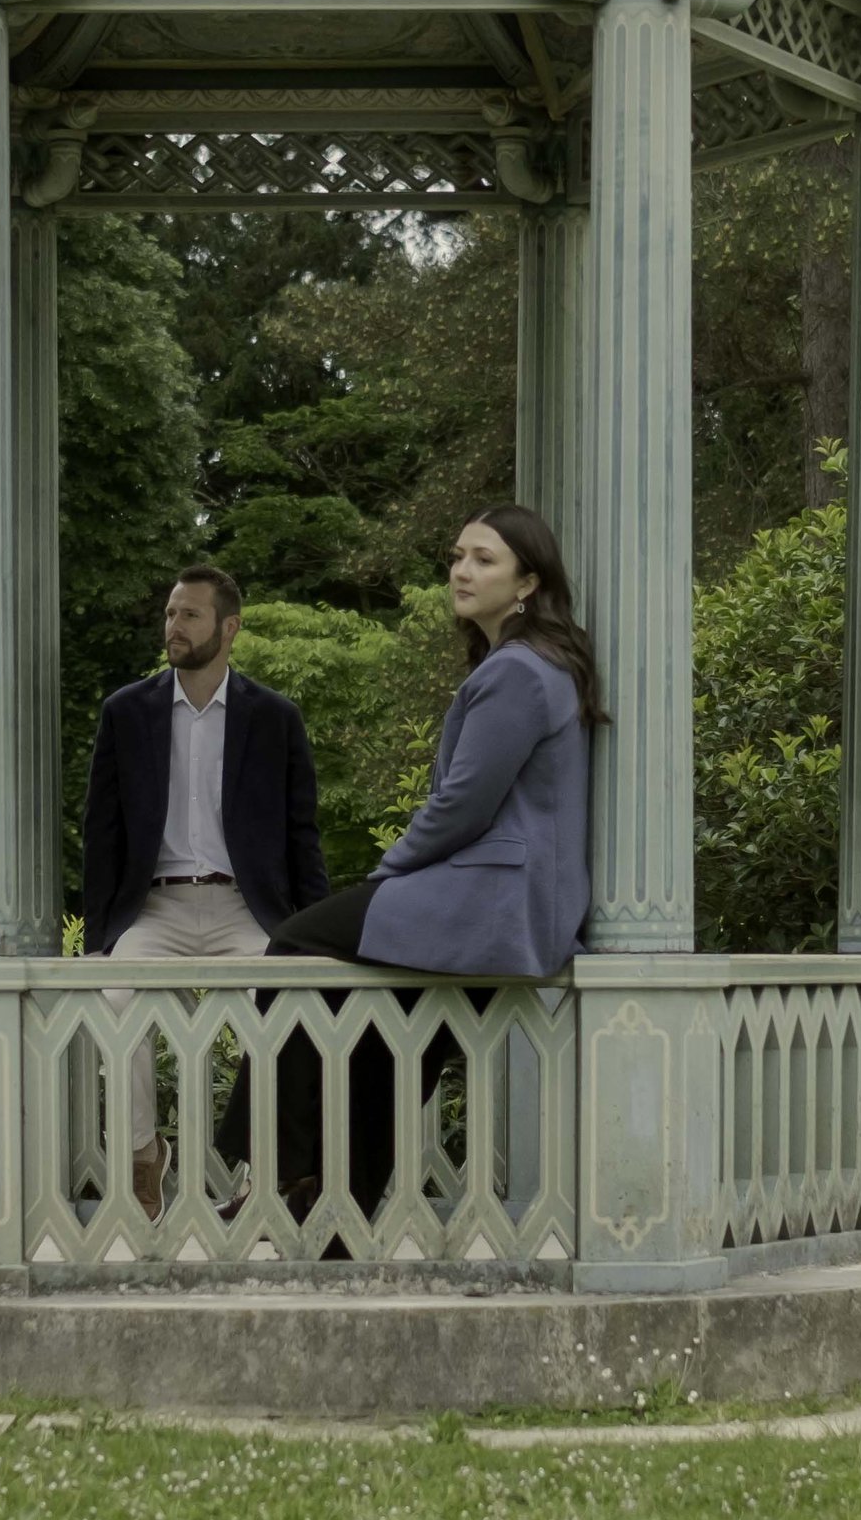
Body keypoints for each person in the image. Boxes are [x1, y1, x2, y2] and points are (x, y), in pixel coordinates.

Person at [266, 503, 601, 1212]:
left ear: (527, 583)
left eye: (484, 559)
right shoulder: (534, 664)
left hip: (495, 905)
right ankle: (334, 1209)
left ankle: (286, 1165)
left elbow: (462, 805)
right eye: (457, 555)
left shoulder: (517, 672)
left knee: (293, 946)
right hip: (511, 904)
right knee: (393, 1047)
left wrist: (390, 872)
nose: (461, 571)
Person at [82, 563, 326, 1217]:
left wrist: (315, 931)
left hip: (243, 908)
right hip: (154, 907)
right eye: (170, 614)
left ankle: (260, 1174)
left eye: (189, 614)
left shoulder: (274, 718)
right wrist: (100, 938)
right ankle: (141, 1155)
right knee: (114, 997)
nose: (175, 626)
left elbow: (302, 833)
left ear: (229, 627)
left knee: (276, 1008)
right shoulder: (126, 712)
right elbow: (100, 834)